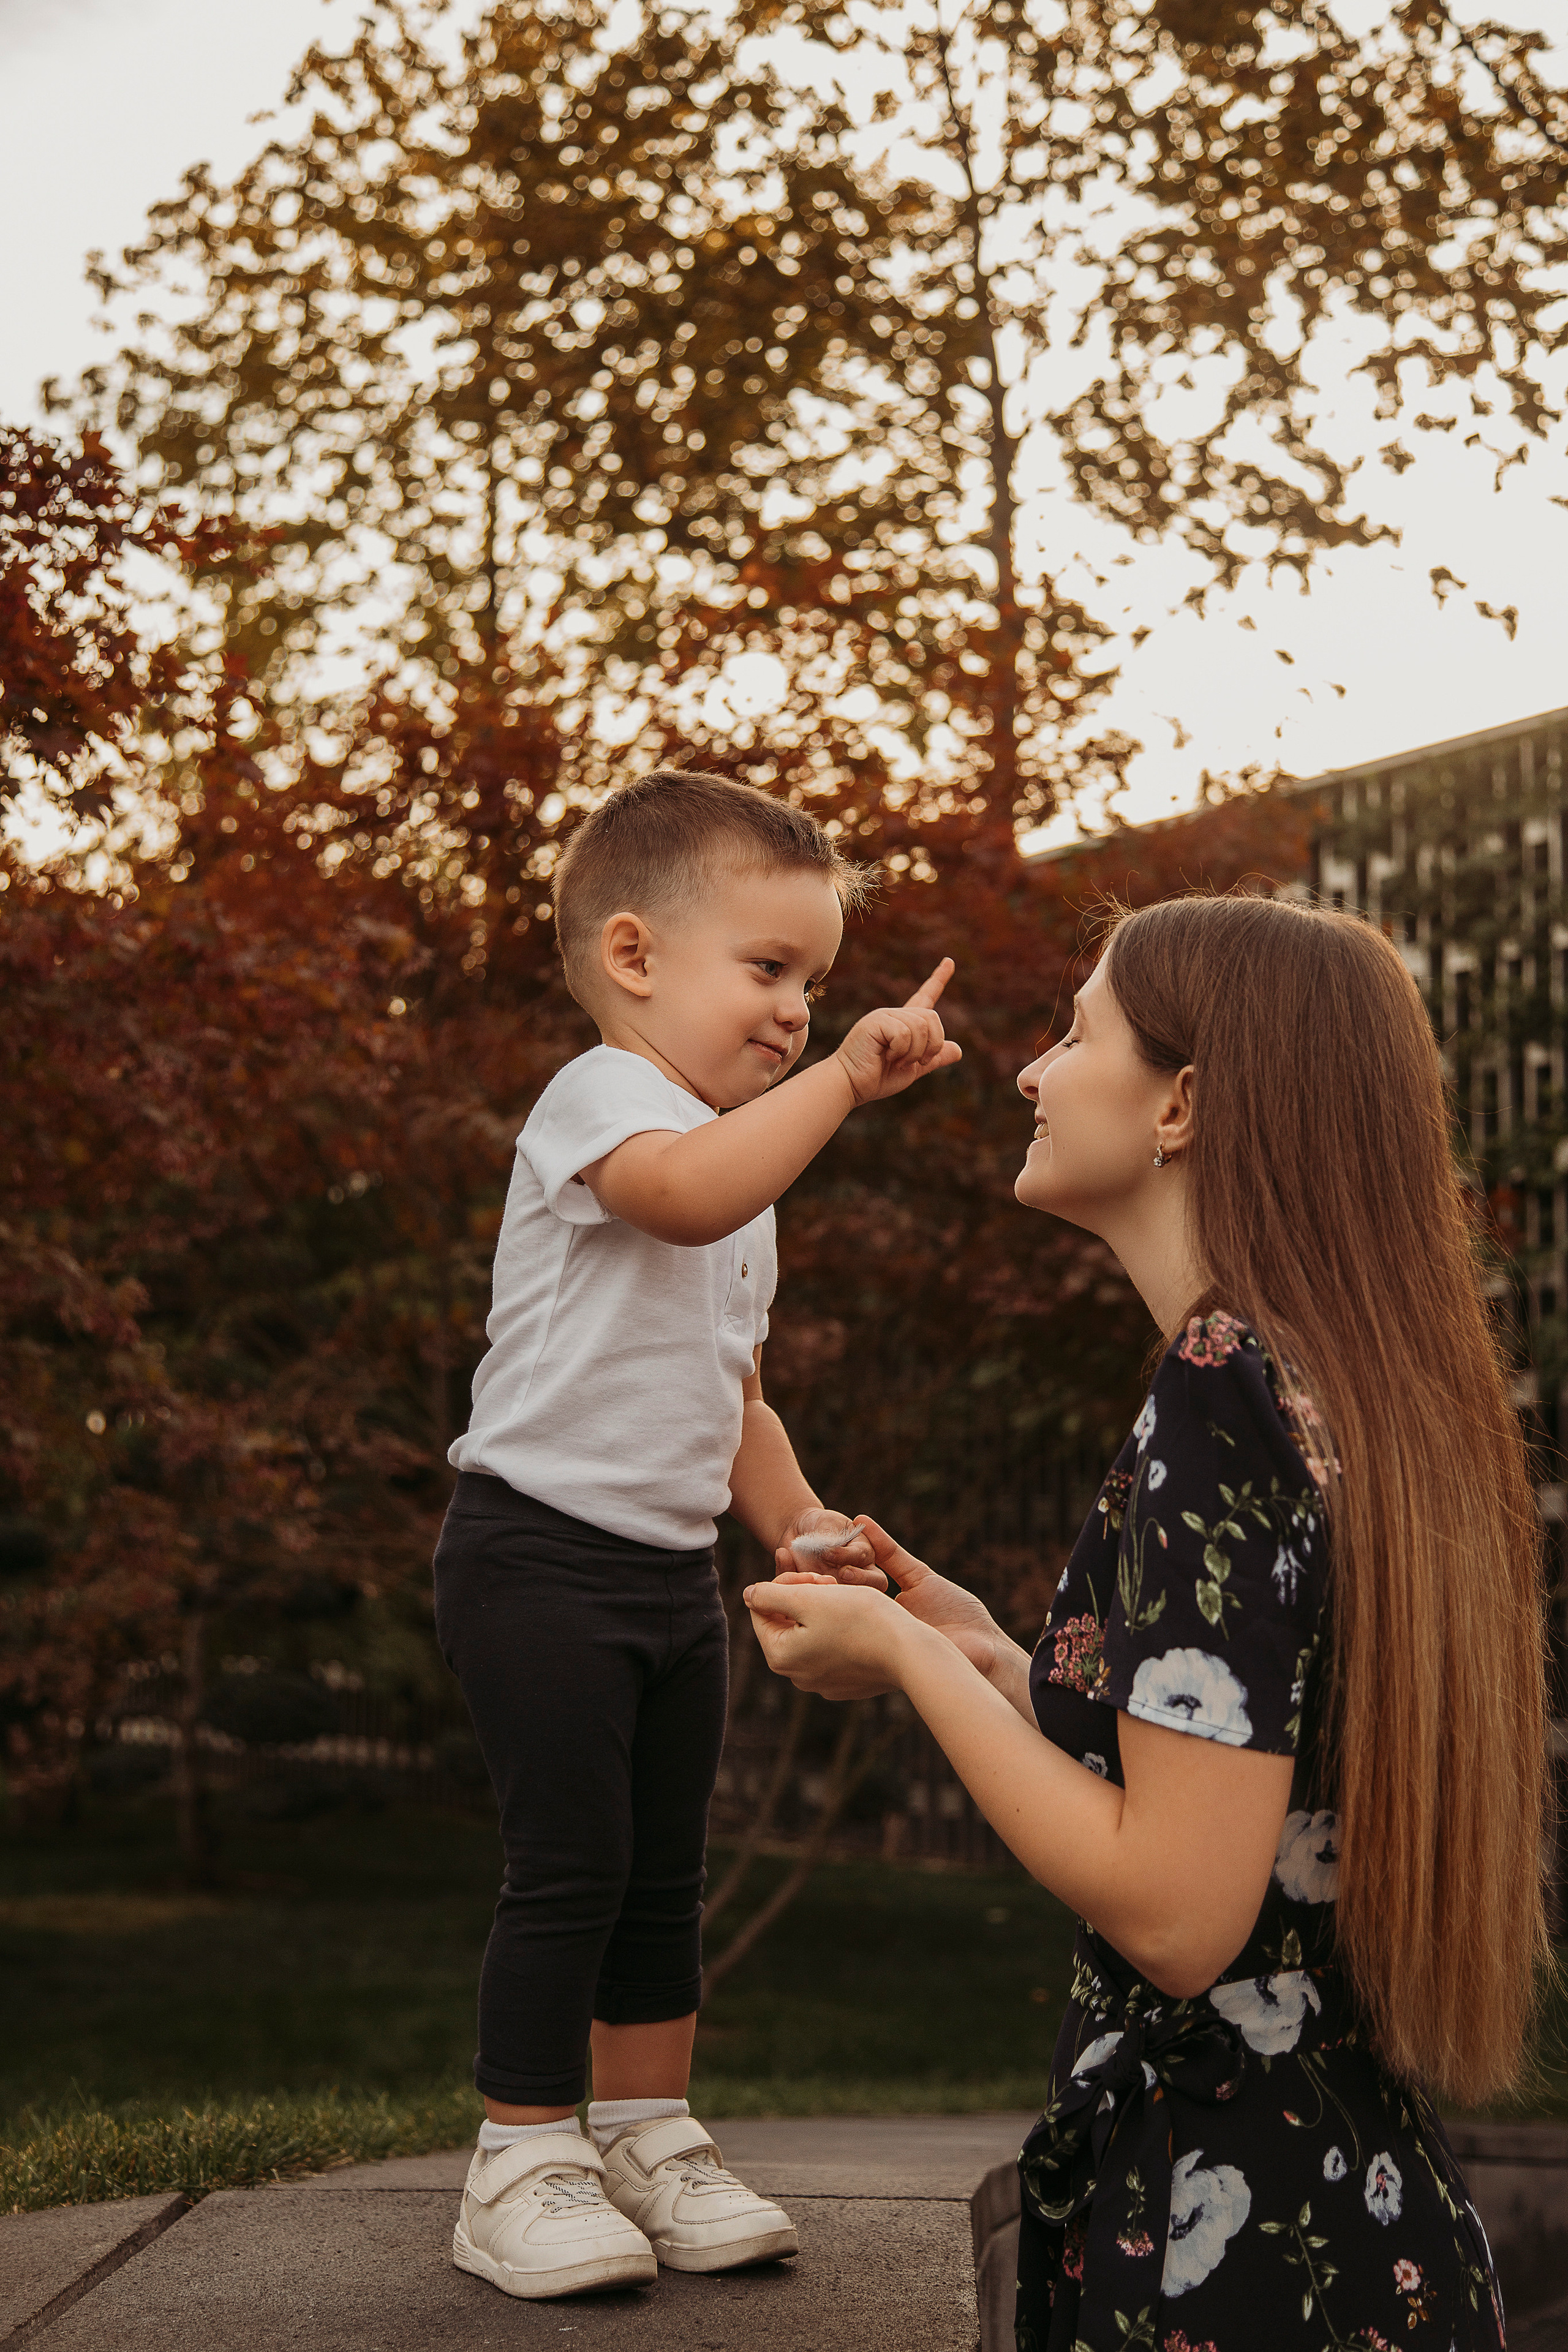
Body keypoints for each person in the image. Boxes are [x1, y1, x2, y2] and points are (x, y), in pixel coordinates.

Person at [744, 891, 1545, 2350]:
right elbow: (1240, 1761)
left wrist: (912, 1665)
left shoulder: (1220, 1385)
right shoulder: (1320, 1378)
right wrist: (989, 1649)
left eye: (1074, 1030)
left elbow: (1177, 1914)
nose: (1028, 1072)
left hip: (1231, 2249)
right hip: (1353, 2213)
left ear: (1180, 1103)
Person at [432, 766, 960, 2301]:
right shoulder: (607, 1100)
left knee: (667, 1872)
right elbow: (674, 1200)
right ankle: (520, 2154)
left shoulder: (746, 1161)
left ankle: (647, 2132)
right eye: (769, 969)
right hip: (533, 1553)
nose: (798, 1009)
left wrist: (794, 1519)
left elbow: (726, 1389)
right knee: (571, 1863)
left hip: (666, 1574)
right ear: (633, 957)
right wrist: (845, 1086)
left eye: (816, 982)